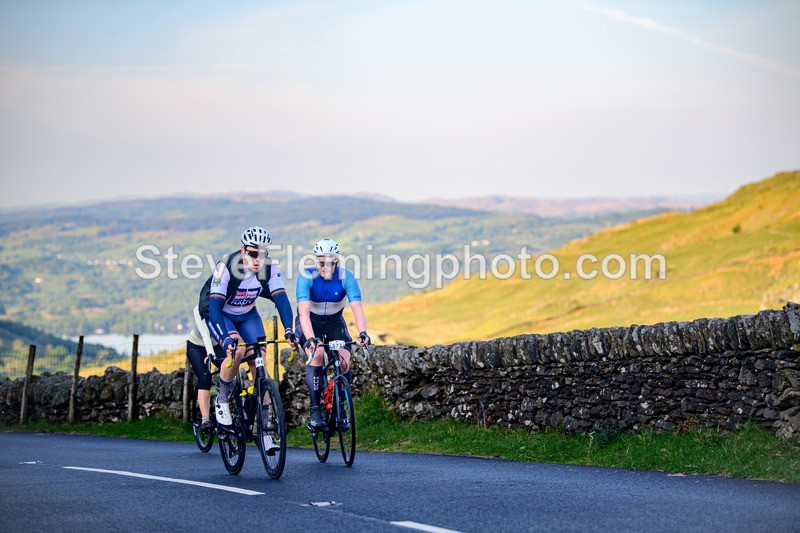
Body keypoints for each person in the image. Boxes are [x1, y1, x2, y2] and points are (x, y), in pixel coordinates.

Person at [199, 226, 297, 451]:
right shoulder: (227, 266)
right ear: (243, 250)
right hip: (220, 312)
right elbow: (214, 308)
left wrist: (289, 330)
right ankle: (222, 399)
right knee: (238, 351)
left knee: (259, 360)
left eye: (263, 254)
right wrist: (225, 339)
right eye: (253, 254)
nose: (258, 260)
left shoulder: (269, 269)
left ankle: (265, 432)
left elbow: (281, 300)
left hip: (247, 314)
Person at [296, 238, 371, 430]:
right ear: (316, 262)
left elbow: (358, 309)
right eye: (321, 263)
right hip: (310, 323)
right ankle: (315, 411)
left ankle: (340, 404)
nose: (325, 267)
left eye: (330, 263)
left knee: (345, 361)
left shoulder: (346, 277)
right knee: (318, 355)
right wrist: (311, 339)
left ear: (336, 262)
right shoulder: (306, 277)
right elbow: (303, 313)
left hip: (334, 323)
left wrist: (363, 332)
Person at [185, 305, 226, 432]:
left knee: (228, 371)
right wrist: (210, 354)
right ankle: (205, 420)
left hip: (217, 345)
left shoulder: (223, 306)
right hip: (197, 346)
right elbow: (205, 334)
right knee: (205, 377)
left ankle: (224, 404)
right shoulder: (198, 309)